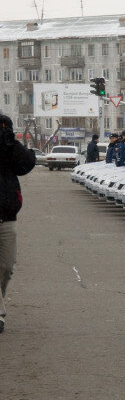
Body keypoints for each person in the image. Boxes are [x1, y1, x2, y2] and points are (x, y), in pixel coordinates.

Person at [0, 113, 36, 333]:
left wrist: (11, 141)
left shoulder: (9, 148)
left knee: (6, 267)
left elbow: (27, 164)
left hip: (7, 218)